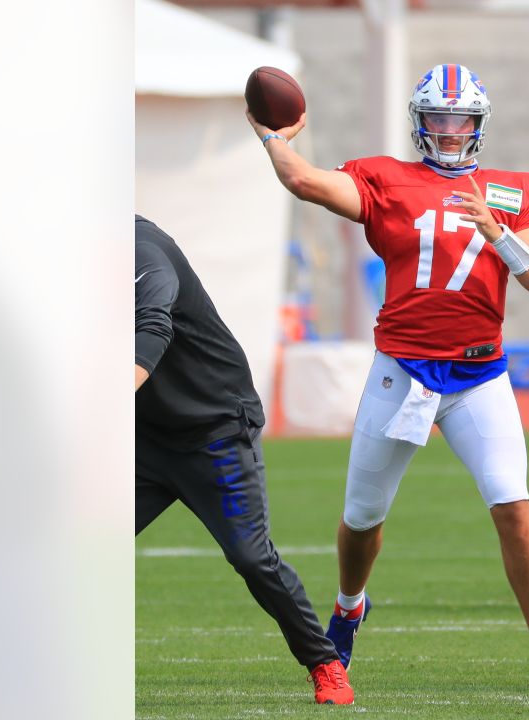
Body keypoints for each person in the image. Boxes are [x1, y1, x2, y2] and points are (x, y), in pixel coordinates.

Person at [246, 64, 529, 687]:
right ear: (419, 121)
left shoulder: (514, 190)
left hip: (480, 375)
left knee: (512, 503)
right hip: (403, 367)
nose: (450, 131)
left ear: (479, 124)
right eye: (438, 118)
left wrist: (499, 236)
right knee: (363, 515)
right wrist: (274, 137)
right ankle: (348, 607)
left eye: (461, 120)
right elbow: (307, 184)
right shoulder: (386, 176)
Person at [134, 215, 354, 705]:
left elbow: (152, 327)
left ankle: (324, 663)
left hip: (214, 432)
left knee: (252, 558)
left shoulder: (140, 250)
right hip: (143, 438)